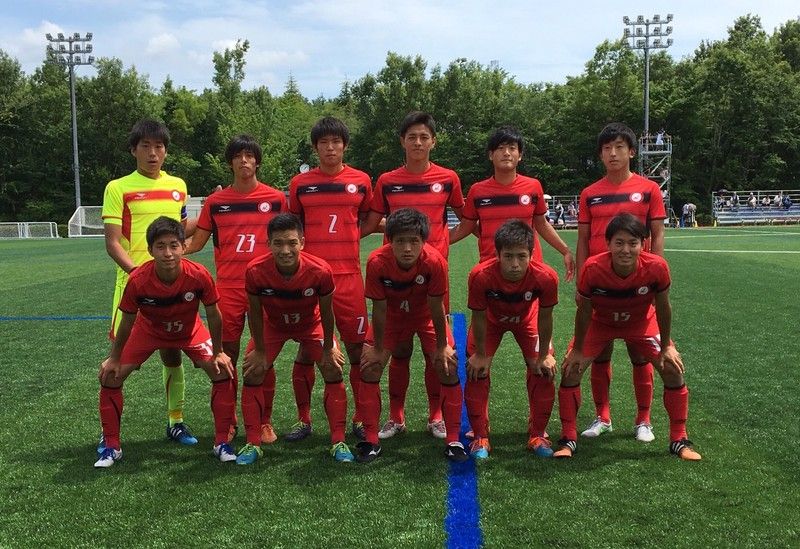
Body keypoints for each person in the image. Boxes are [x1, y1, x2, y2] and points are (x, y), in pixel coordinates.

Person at [554, 213, 701, 461]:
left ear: (643, 244)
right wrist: (577, 349)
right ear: (608, 244)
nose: (625, 250)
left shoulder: (656, 266)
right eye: (619, 243)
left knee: (672, 368)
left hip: (641, 323)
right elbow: (585, 311)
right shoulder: (592, 267)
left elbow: (663, 307)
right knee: (571, 369)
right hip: (601, 323)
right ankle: (568, 438)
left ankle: (679, 439)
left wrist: (666, 345)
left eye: (633, 243)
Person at [94, 217, 235, 468]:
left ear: (183, 246)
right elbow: (127, 320)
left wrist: (219, 352)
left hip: (189, 331)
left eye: (173, 245)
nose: (168, 253)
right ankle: (111, 445)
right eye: (160, 246)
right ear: (150, 250)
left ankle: (222, 442)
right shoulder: (138, 279)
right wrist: (114, 357)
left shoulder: (198, 275)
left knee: (221, 370)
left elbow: (214, 314)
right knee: (111, 376)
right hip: (148, 330)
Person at [360, 111, 464, 440]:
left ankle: (436, 416)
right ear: (402, 142)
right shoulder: (387, 181)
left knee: (437, 354)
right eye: (411, 137)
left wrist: (442, 243)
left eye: (424, 137)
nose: (418, 142)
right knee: (400, 350)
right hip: (394, 277)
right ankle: (396, 417)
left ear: (433, 141)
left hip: (433, 276)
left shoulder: (448, 178)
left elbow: (468, 218)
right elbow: (372, 222)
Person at [186, 134, 287, 445]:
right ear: (230, 163)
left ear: (257, 161)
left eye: (249, 156)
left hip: (265, 289)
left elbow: (288, 242)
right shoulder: (216, 203)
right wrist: (165, 252)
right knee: (225, 356)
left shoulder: (275, 199)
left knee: (263, 355)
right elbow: (196, 243)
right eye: (238, 156)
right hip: (228, 290)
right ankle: (227, 422)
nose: (244, 161)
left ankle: (264, 421)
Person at [101, 119, 195, 446]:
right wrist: (138, 275)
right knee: (117, 362)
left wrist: (215, 212)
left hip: (170, 288)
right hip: (133, 287)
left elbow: (181, 231)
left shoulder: (178, 186)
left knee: (172, 354)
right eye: (145, 146)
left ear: (166, 151)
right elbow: (112, 243)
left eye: (159, 147)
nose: (153, 153)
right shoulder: (118, 188)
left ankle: (176, 422)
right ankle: (109, 434)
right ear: (133, 150)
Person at [576, 122, 666, 443]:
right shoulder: (590, 193)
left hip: (638, 283)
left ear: (631, 152)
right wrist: (581, 282)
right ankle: (603, 417)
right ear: (601, 154)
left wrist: (655, 276)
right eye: (607, 149)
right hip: (599, 285)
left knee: (639, 353)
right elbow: (583, 239)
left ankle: (644, 420)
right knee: (600, 353)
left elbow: (657, 235)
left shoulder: (649, 190)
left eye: (619, 147)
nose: (613, 153)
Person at [237, 213, 351, 465]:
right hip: (273, 325)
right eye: (278, 243)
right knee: (253, 370)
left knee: (333, 367)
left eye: (292, 243)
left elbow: (327, 312)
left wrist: (328, 346)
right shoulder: (255, 270)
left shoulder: (320, 270)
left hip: (311, 324)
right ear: (268, 244)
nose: (285, 250)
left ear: (302, 242)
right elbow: (254, 313)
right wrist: (259, 350)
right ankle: (253, 442)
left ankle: (338, 440)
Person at [287, 117, 373, 442]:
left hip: (349, 279)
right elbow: (294, 226)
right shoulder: (300, 184)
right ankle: (304, 420)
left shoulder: (361, 181)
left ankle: (361, 418)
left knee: (357, 351)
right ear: (315, 147)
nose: (330, 148)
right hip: (310, 280)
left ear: (345, 145)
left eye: (336, 142)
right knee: (307, 351)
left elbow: (369, 217)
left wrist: (351, 237)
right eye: (323, 142)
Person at [358, 208, 464, 463]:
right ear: (389, 240)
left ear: (423, 241)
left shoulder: (435, 261)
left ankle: (451, 437)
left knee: (447, 365)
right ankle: (375, 436)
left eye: (414, 241)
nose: (407, 248)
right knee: (370, 366)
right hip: (392, 317)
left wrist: (442, 346)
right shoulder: (377, 262)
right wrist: (377, 348)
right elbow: (379, 308)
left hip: (425, 316)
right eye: (400, 241)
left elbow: (437, 306)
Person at [465, 220, 559, 459]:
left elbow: (545, 318)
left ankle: (537, 434)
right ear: (497, 255)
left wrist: (544, 355)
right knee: (476, 368)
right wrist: (480, 354)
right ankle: (480, 436)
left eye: (521, 256)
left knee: (543, 369)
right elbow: (478, 316)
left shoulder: (546, 276)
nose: (515, 264)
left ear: (532, 255)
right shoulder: (480, 275)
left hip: (528, 320)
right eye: (508, 256)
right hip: (490, 321)